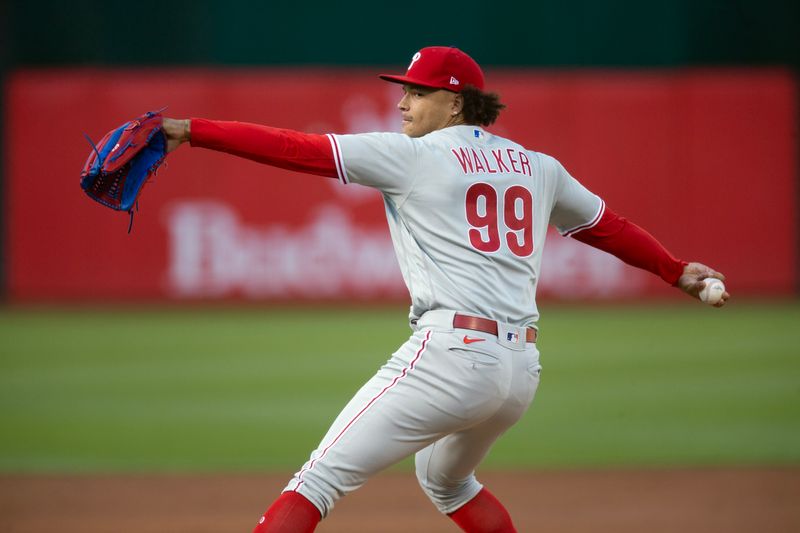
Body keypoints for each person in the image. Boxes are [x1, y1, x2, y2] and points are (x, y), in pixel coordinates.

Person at [161, 46, 730, 533]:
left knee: (318, 479)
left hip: (452, 355)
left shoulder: (413, 157)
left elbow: (294, 148)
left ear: (455, 103)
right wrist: (676, 270)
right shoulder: (537, 165)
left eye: (418, 91)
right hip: (518, 371)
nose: (403, 102)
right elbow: (607, 226)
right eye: (404, 90)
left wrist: (191, 130)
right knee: (447, 483)